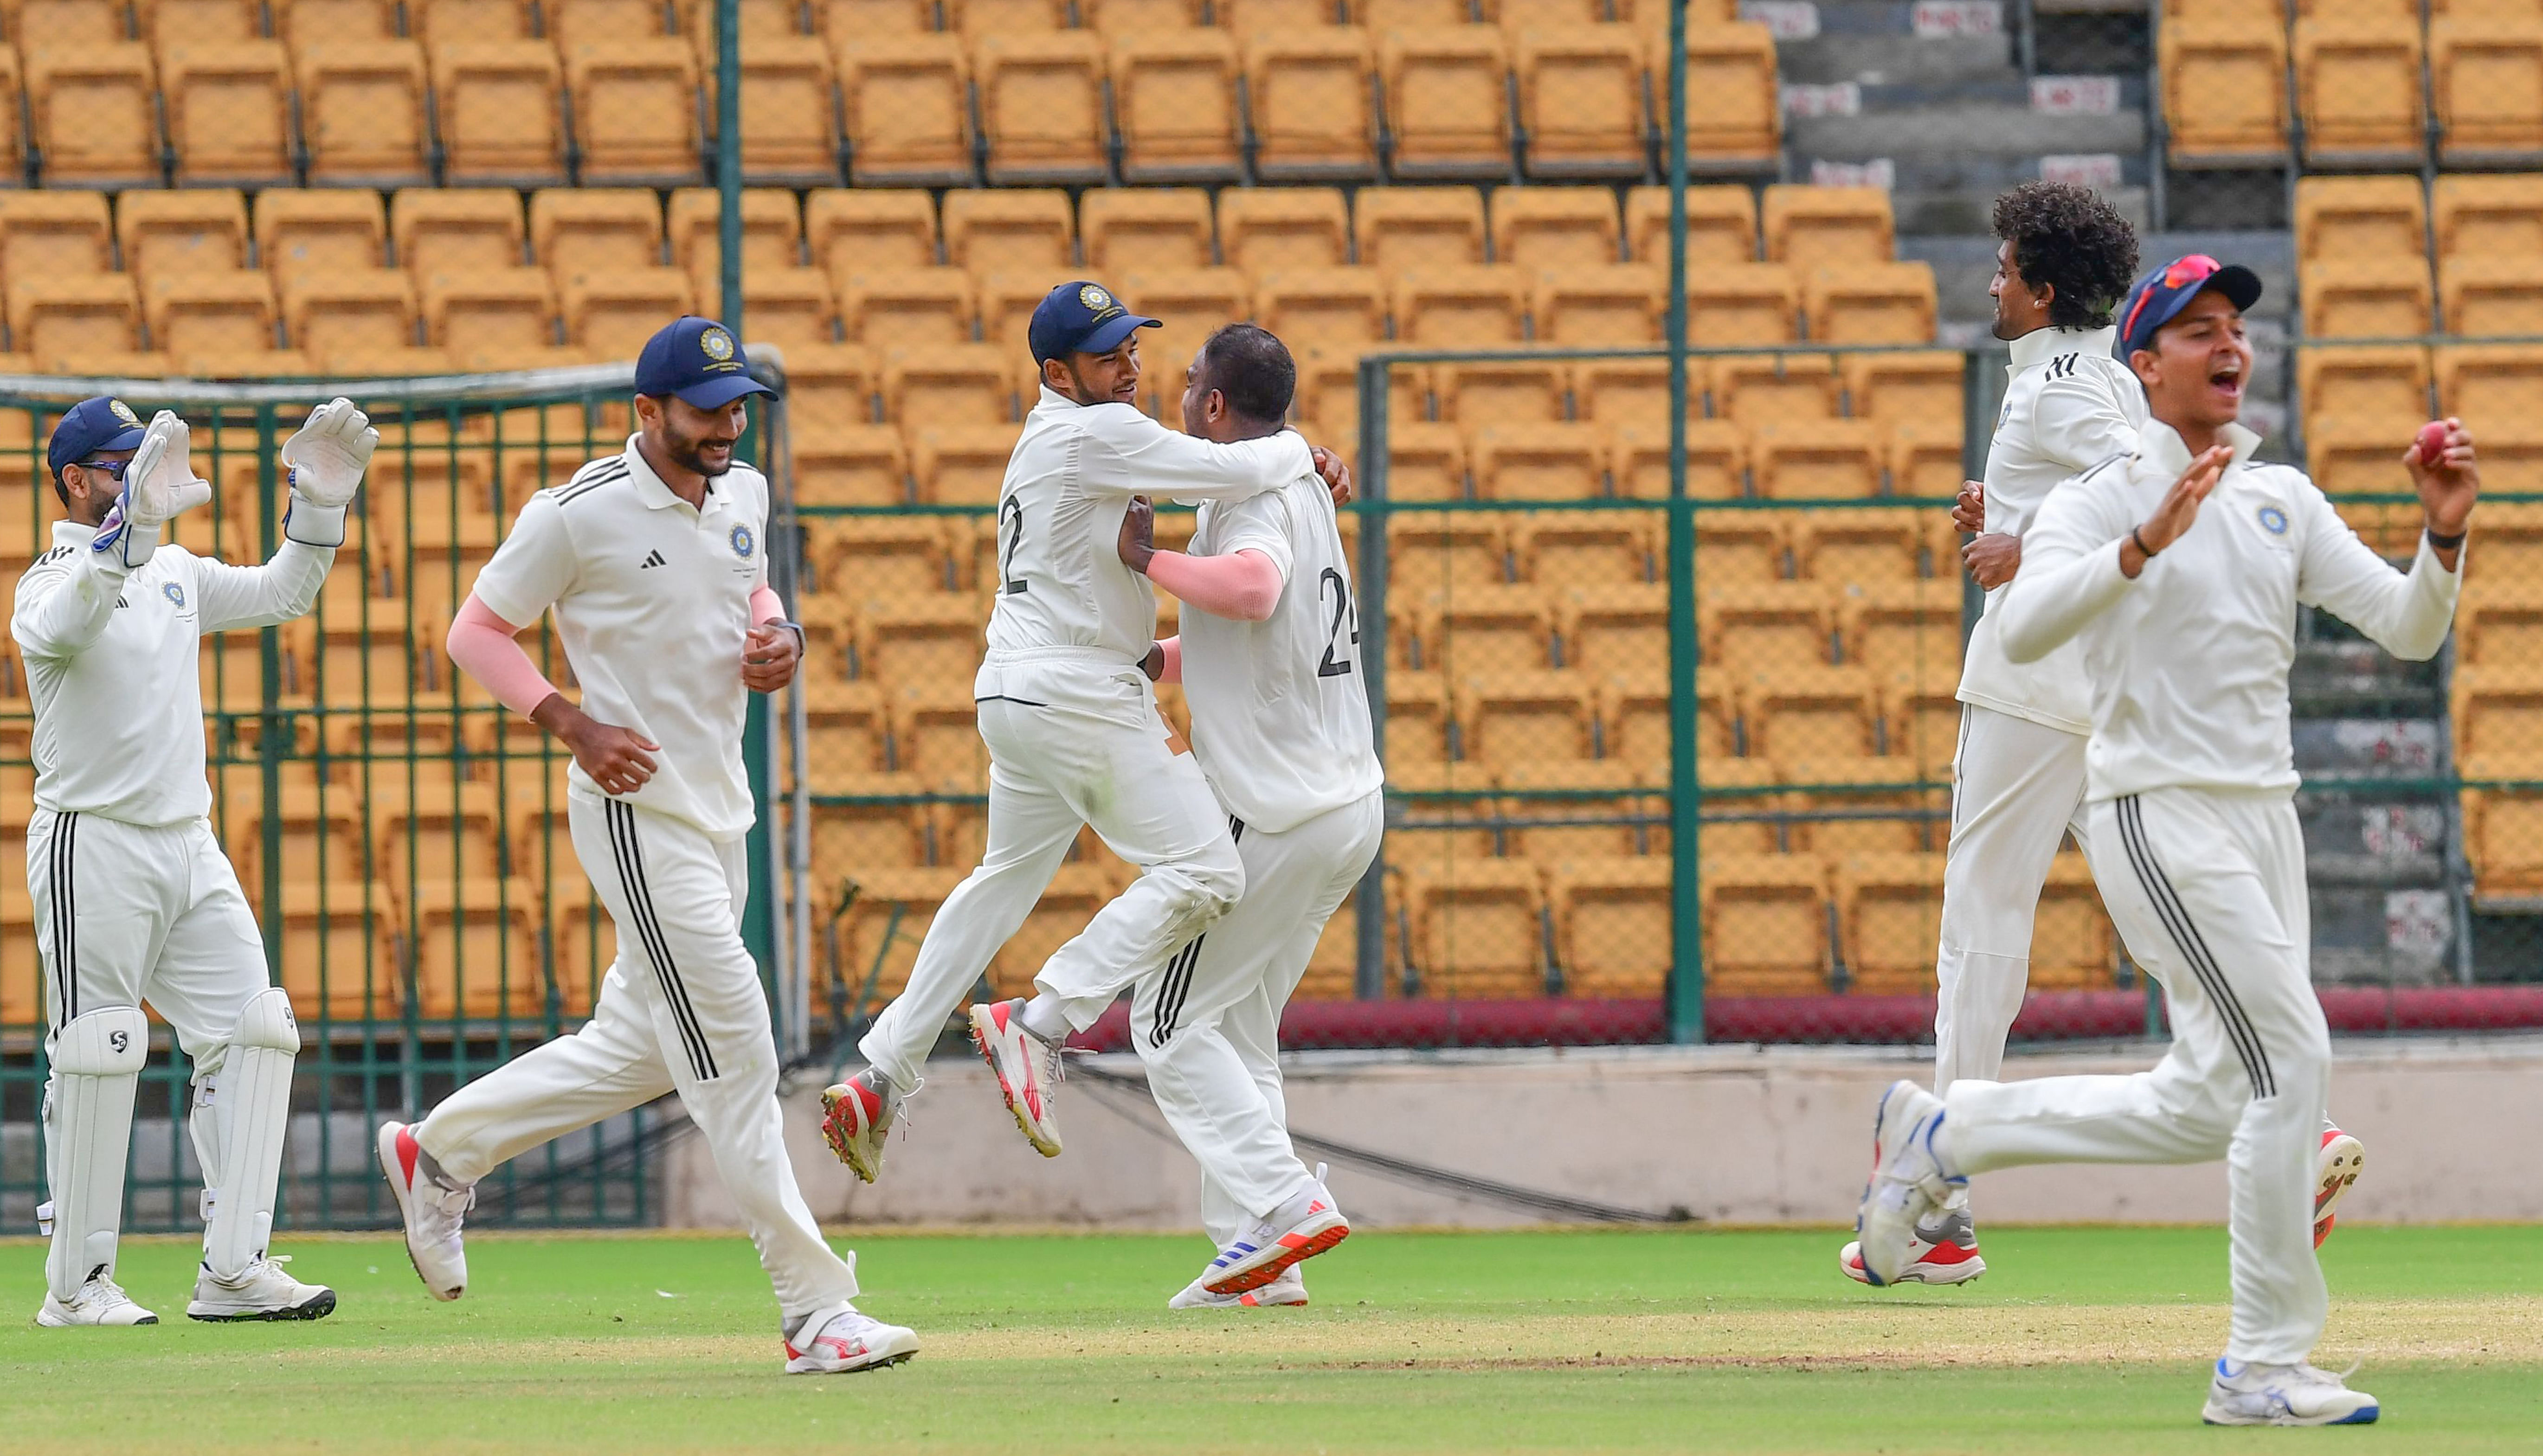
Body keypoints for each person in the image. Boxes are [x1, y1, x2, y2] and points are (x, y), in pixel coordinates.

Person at [1854, 256, 2474, 1427]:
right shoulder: (2099, 499)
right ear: (2142, 366)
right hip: (2158, 807)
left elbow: (2402, 631)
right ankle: (2260, 1366)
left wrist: (2441, 541)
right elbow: (2026, 623)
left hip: (2262, 817)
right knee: (2289, 1062)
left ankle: (1950, 1128)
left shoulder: (2280, 495)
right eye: (2195, 330)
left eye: (2233, 326)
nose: (2225, 345)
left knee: (2208, 1097)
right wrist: (2133, 546)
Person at [373, 317, 918, 1377]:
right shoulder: (575, 515)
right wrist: (572, 724)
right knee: (739, 1051)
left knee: (634, 1050)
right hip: (635, 815)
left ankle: (439, 1150)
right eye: (706, 410)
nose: (725, 427)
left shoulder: (743, 493)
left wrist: (779, 634)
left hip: (720, 811)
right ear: (646, 412)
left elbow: (748, 589)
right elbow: (474, 632)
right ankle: (816, 1310)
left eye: (735, 408)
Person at [1842, 186, 2361, 1286]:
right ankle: (2294, 1125)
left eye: (2001, 269)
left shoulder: (2072, 384)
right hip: (2104, 687)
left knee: (1979, 927)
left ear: (2039, 286)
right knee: (2157, 916)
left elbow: (2152, 474)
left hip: (2035, 684)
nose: (1989, 284)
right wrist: (2013, 517)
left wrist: (2024, 548)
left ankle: (1938, 1195)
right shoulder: (2062, 376)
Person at [818, 283, 1348, 1179]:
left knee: (1001, 882)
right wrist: (1305, 453)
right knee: (1207, 871)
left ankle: (882, 1074)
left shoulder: (1054, 437)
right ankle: (1039, 1022)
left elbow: (1213, 477)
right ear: (1056, 374)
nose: (1132, 369)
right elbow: (1231, 468)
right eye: (1108, 358)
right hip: (1076, 693)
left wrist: (1288, 463)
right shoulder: (1094, 432)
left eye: (1134, 349)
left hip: (1016, 689)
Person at [19, 394, 372, 1326]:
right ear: (78, 480)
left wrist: (320, 510)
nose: (142, 477)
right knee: (99, 1049)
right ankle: (77, 1288)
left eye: (147, 462)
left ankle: (234, 1269)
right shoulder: (48, 579)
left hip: (190, 841)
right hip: (92, 841)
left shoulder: (174, 568)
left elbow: (279, 593)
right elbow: (68, 626)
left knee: (256, 1029)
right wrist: (126, 537)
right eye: (123, 466)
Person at [1112, 324, 1382, 1309]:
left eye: (1189, 386)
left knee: (1166, 1018)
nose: (1179, 398)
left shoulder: (1252, 493)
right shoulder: (1300, 476)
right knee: (1240, 1029)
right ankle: (1257, 1262)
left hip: (1280, 813)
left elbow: (1256, 588)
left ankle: (1281, 1204)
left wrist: (1147, 560)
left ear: (1214, 407)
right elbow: (1262, 632)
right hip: (1346, 804)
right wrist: (1157, 661)